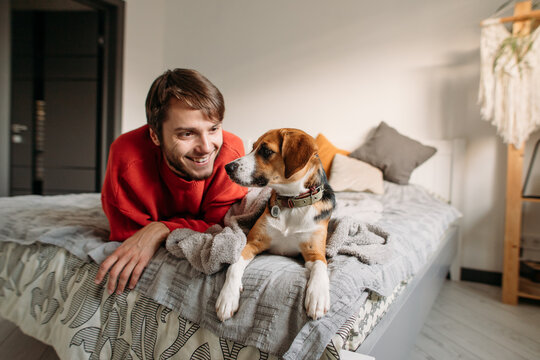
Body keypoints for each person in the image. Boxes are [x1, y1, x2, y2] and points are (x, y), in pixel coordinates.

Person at [94, 68, 248, 295]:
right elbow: (129, 234)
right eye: (187, 134)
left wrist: (160, 228)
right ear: (155, 136)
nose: (206, 147)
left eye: (214, 129)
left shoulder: (230, 154)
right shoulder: (126, 157)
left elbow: (219, 226)